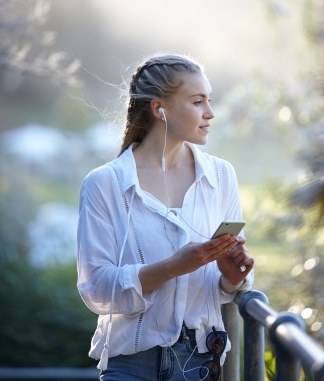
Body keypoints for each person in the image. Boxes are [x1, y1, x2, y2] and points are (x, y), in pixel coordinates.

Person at [77, 54, 254, 381]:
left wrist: (232, 277)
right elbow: (96, 289)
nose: (210, 113)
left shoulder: (221, 176)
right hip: (129, 365)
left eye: (209, 101)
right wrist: (174, 266)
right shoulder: (104, 184)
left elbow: (225, 289)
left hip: (201, 363)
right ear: (160, 109)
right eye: (198, 101)